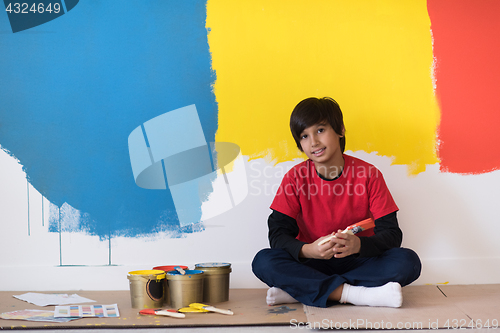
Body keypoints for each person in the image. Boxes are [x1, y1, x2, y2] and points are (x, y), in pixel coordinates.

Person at [252, 97, 421, 308]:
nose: (313, 142)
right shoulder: (294, 178)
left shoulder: (368, 174)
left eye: (320, 130)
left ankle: (301, 290)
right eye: (304, 136)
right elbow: (277, 235)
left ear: (340, 130)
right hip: (312, 262)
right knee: (264, 261)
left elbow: (392, 234)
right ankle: (355, 294)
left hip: (358, 260)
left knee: (408, 262)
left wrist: (358, 245)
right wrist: (308, 250)